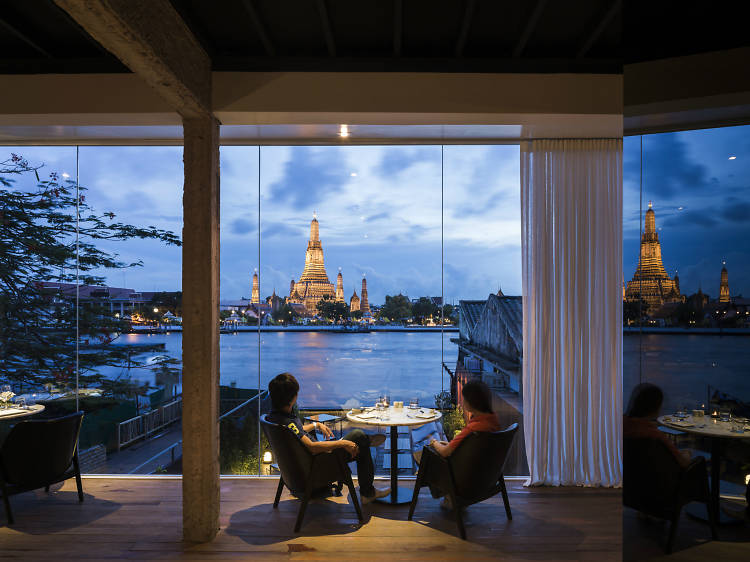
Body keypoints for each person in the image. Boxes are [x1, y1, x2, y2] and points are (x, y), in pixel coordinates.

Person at [266, 373, 390, 503]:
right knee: (358, 436)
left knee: (360, 444)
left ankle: (366, 442)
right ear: (292, 398)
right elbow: (312, 447)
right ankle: (367, 490)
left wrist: (315, 425)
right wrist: (344, 444)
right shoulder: (288, 422)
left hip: (304, 467)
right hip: (317, 467)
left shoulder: (275, 418)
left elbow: (298, 433)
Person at [415, 379, 501, 509]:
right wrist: (448, 445)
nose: (463, 401)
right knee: (434, 451)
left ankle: (450, 496)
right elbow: (465, 448)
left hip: (461, 477)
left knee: (421, 454)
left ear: (471, 403)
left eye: (465, 398)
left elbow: (445, 452)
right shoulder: (493, 422)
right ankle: (448, 495)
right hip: (482, 474)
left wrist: (433, 442)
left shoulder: (474, 429)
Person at [623, 382, 691, 467]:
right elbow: (682, 462)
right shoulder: (654, 435)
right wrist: (687, 453)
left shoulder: (619, 427)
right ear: (655, 407)